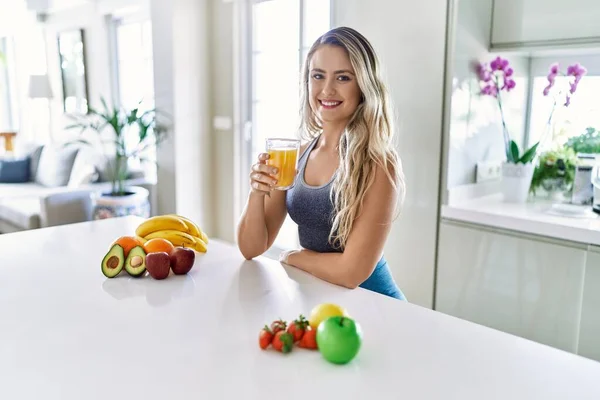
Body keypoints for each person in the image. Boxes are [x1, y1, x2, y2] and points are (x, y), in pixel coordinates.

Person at [236, 26, 406, 300]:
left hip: (376, 304)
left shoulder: (378, 163)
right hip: (322, 301)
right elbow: (251, 247)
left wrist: (296, 257)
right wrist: (257, 192)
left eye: (343, 78)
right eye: (318, 76)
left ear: (363, 85)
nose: (327, 89)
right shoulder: (298, 154)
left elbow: (352, 273)